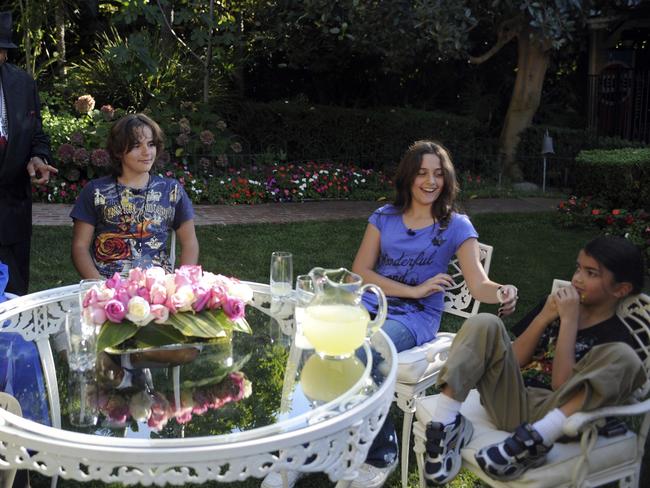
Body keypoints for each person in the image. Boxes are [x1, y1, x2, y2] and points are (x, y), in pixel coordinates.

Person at [260, 140, 518, 488]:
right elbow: (361, 272)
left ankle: (378, 455)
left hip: (415, 318)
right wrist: (412, 287)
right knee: (314, 346)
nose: (430, 182)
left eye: (438, 174)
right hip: (369, 304)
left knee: (366, 352)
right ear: (409, 177)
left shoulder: (455, 225)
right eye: (423, 173)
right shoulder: (385, 218)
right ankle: (298, 453)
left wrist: (501, 290)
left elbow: (478, 284)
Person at [422, 235, 646, 485]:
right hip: (511, 399)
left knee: (624, 356)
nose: (577, 278)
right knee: (484, 322)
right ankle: (445, 425)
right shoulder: (556, 307)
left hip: (558, 416)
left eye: (591, 273)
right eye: (578, 268)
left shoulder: (616, 336)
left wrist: (569, 321)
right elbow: (515, 360)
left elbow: (561, 384)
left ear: (620, 289)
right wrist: (544, 317)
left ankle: (533, 442)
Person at [71, 113, 199, 279]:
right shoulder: (95, 191)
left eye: (151, 144)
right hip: (109, 287)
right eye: (137, 146)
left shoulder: (171, 190)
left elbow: (189, 243)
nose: (147, 152)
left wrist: (182, 282)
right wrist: (99, 286)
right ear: (118, 151)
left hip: (158, 288)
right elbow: (80, 247)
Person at [0, 11, 56, 295]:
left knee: (15, 296)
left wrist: (38, 158)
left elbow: (36, 135)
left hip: (12, 209)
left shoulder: (22, 84)